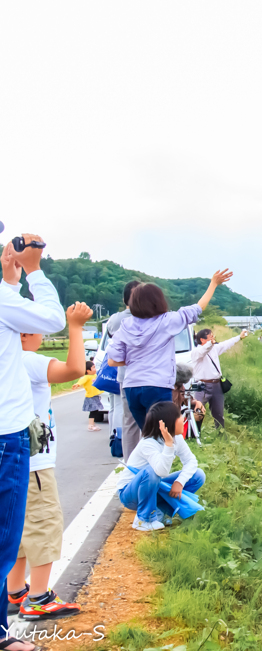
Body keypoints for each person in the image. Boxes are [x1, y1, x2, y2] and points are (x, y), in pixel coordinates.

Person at [0, 230, 66, 651]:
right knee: (5, 539)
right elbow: (53, 319)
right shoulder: (4, 302)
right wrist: (34, 270)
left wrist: (9, 278)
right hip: (6, 435)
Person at [7, 303, 92, 622]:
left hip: (12, 459)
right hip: (33, 462)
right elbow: (73, 370)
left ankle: (16, 591)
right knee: (43, 524)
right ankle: (39, 598)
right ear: (26, 331)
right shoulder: (26, 360)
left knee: (16, 528)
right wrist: (75, 327)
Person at [106, 270, 232, 438]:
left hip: (132, 388)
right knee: (165, 437)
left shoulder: (126, 325)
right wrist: (213, 284)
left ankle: (140, 464)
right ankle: (171, 463)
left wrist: (137, 360)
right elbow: (198, 308)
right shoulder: (166, 320)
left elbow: (113, 361)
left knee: (148, 437)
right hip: (157, 386)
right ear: (158, 301)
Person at [117, 401, 206, 532]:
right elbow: (161, 471)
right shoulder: (148, 443)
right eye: (179, 417)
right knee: (151, 472)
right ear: (168, 422)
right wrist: (169, 445)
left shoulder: (177, 438)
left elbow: (191, 461)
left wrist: (180, 482)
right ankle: (143, 519)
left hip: (154, 486)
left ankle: (161, 513)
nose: (183, 419)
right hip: (130, 494)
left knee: (198, 476)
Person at [105, 280, 141, 458]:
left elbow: (112, 338)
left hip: (124, 375)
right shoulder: (149, 317)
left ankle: (129, 460)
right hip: (146, 376)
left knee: (128, 420)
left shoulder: (115, 320)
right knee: (150, 418)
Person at [190, 328, 247, 430]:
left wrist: (239, 337)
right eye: (210, 336)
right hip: (200, 385)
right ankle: (194, 435)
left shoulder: (214, 348)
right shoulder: (196, 351)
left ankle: (221, 436)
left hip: (216, 385)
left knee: (219, 414)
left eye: (213, 336)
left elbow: (226, 344)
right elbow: (203, 351)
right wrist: (210, 344)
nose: (213, 338)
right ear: (202, 340)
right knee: (197, 412)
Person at [71, 361, 103, 431]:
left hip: (96, 396)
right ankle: (90, 426)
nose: (95, 369)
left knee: (96, 411)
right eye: (93, 367)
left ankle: (93, 424)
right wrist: (77, 384)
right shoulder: (87, 377)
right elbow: (81, 381)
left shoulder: (95, 375)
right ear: (88, 371)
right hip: (90, 397)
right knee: (93, 411)